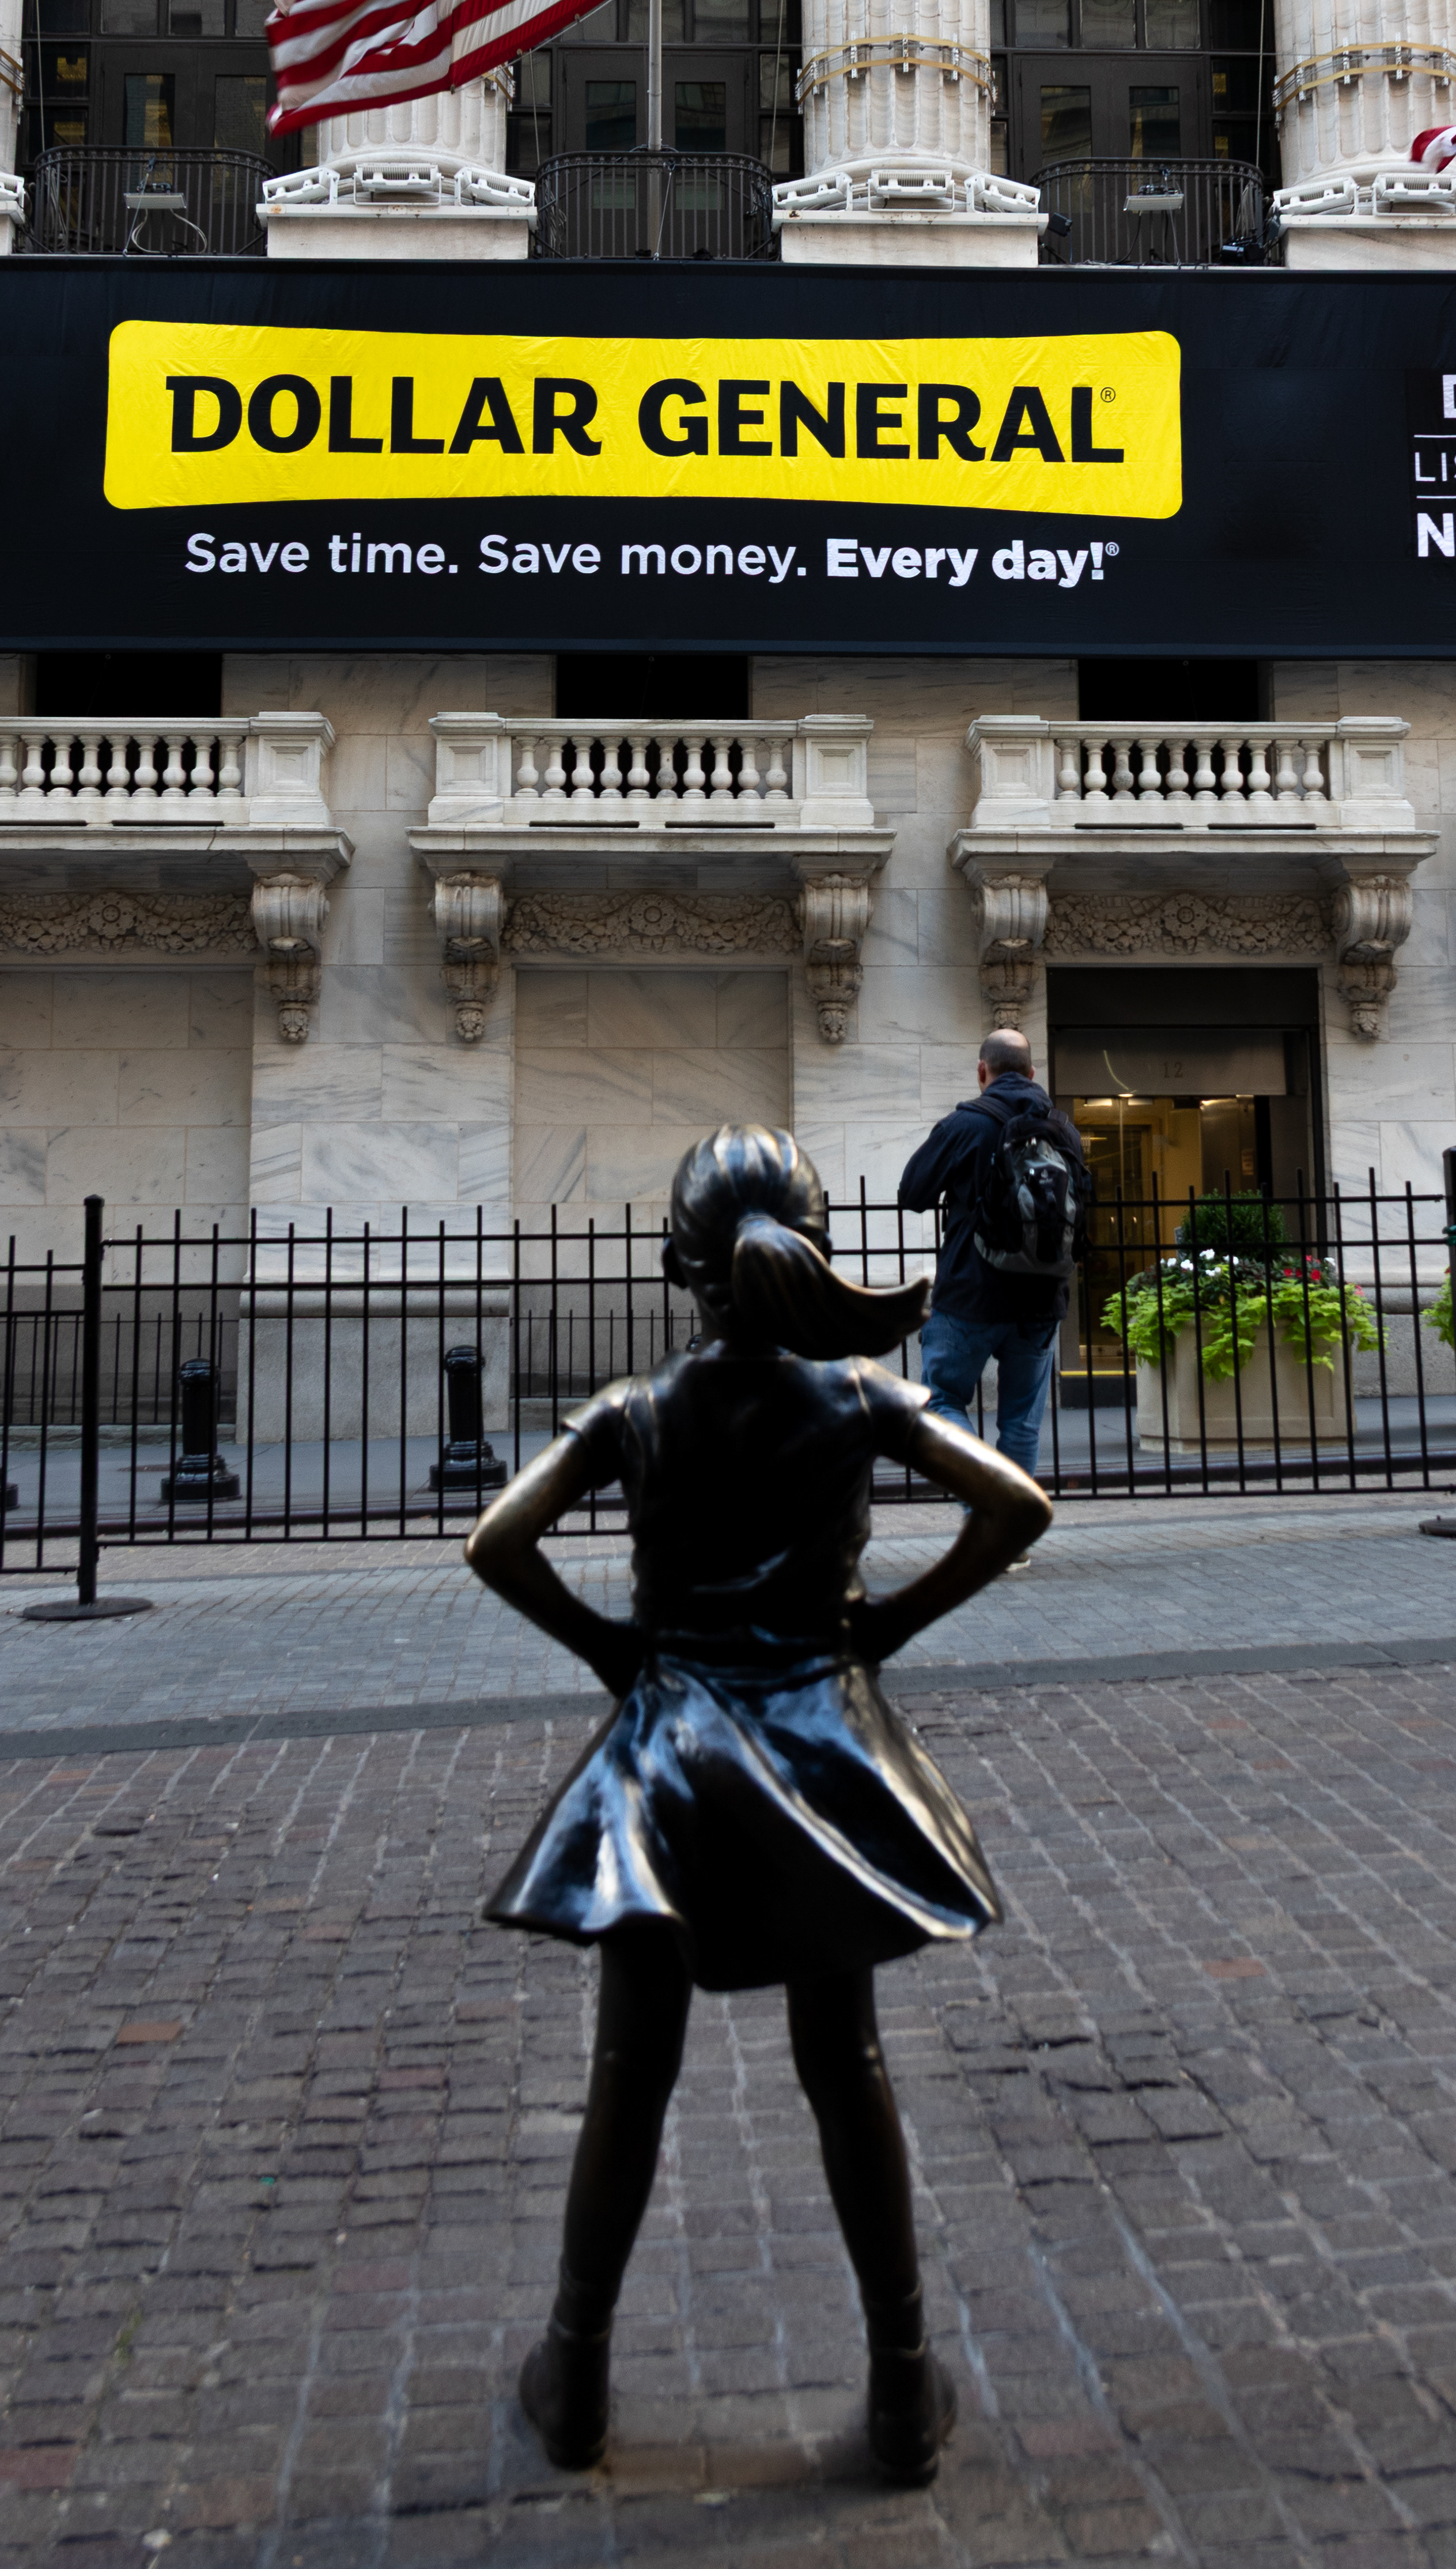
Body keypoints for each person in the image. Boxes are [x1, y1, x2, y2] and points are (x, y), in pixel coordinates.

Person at [464, 1123, 1050, 2487]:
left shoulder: (638, 1410)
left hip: (666, 1755)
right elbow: (1016, 1507)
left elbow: (496, 1541)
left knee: (630, 2073)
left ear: (680, 1267)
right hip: (820, 1746)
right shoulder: (856, 1397)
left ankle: (577, 2375)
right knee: (843, 2064)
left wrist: (616, 1653)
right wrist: (881, 1630)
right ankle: (903, 2390)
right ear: (813, 1248)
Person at [897, 1027, 1093, 1476]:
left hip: (971, 1293)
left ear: (983, 1071)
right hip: (1042, 1301)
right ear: (1032, 1072)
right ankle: (1013, 1538)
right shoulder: (1065, 1131)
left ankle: (988, 1510)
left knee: (942, 1401)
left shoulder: (965, 1124)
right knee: (1022, 1423)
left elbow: (912, 1192)